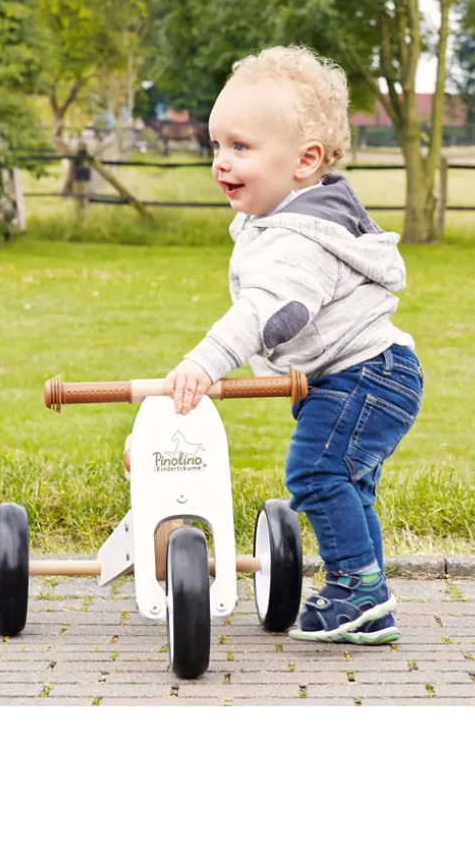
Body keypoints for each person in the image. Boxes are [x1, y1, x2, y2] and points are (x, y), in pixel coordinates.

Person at [164, 45, 423, 645]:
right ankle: (367, 602)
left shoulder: (299, 237)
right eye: (216, 145)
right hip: (370, 375)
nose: (221, 162)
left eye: (241, 147)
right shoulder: (290, 220)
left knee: (315, 472)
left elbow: (269, 311)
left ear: (305, 160)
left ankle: (358, 590)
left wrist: (205, 362)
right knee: (347, 486)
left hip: (364, 376)